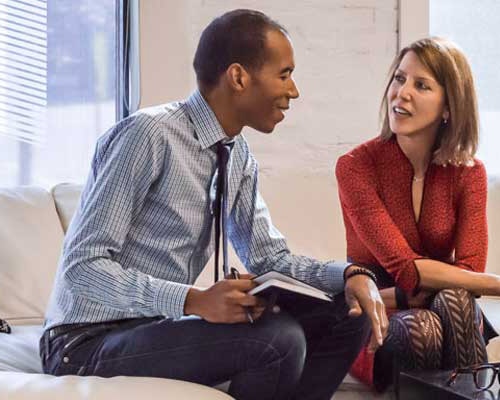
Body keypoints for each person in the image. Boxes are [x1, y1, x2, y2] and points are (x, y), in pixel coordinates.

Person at [41, 9, 388, 400]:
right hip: (84, 343)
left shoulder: (236, 154)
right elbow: (82, 267)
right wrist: (193, 300)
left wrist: (350, 274)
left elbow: (269, 258)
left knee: (347, 314)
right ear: (239, 77)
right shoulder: (148, 135)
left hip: (155, 327)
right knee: (279, 339)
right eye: (285, 74)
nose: (294, 91)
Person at [335, 37, 500, 391]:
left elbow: (470, 269)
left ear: (448, 108)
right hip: (377, 320)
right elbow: (404, 269)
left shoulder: (468, 173)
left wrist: (428, 288)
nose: (402, 93)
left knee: (452, 299)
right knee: (426, 326)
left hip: (446, 308)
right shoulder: (355, 167)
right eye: (399, 79)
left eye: (421, 85)